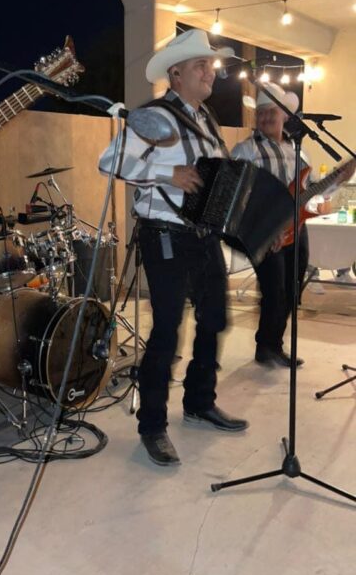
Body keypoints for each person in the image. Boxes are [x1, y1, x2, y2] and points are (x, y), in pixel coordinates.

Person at [98, 28, 248, 468]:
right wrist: (168, 174)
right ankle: (152, 426)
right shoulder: (156, 116)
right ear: (176, 74)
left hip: (202, 235)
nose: (210, 72)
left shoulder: (206, 120)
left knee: (215, 317)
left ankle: (200, 401)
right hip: (164, 233)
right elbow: (109, 161)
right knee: (166, 331)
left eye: (211, 65)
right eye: (201, 65)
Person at [231, 84, 355, 367]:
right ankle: (266, 346)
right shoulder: (245, 150)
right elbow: (236, 196)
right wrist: (262, 229)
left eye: (271, 111)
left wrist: (340, 180)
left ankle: (273, 345)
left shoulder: (299, 152)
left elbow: (312, 193)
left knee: (292, 289)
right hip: (266, 233)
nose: (265, 118)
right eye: (260, 113)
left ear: (285, 115)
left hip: (297, 229)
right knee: (274, 290)